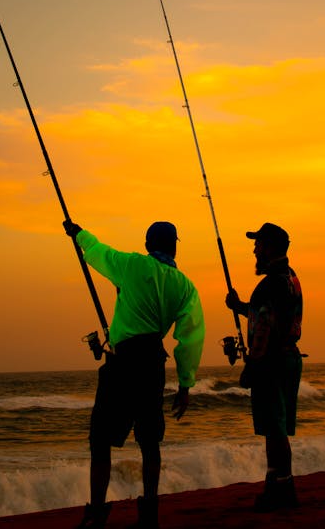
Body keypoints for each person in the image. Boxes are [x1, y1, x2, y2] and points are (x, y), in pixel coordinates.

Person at [63, 218, 205, 529]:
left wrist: (79, 233)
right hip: (154, 363)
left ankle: (97, 512)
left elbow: (99, 252)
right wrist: (185, 384)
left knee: (100, 440)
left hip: (124, 363)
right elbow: (191, 338)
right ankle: (150, 509)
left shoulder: (132, 265)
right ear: (174, 246)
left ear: (147, 245)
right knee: (150, 440)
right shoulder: (185, 287)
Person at [226, 222, 303, 511]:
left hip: (271, 362)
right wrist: (241, 306)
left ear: (270, 248)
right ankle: (279, 485)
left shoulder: (269, 283)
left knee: (274, 429)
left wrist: (253, 365)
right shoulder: (290, 278)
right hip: (290, 358)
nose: (254, 249)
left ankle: (282, 491)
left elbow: (264, 327)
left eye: (258, 244)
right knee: (277, 428)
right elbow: (269, 314)